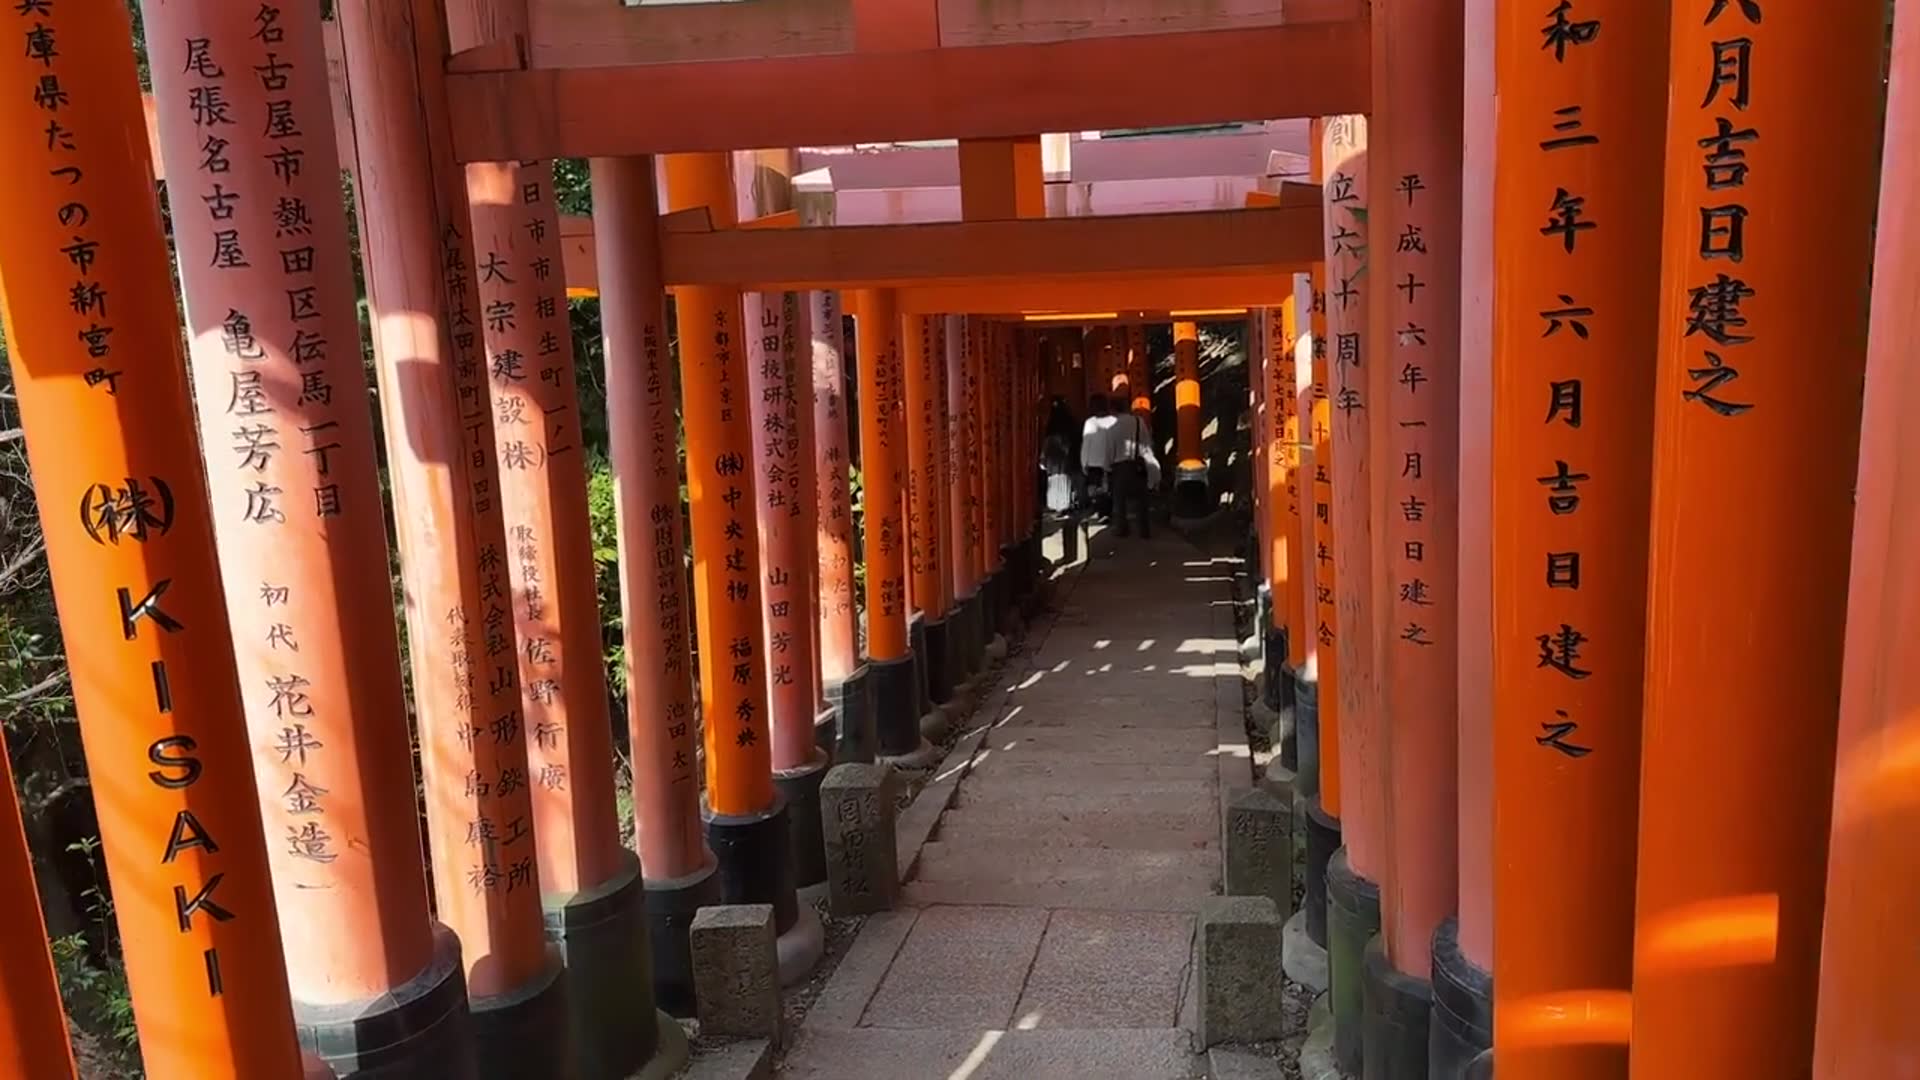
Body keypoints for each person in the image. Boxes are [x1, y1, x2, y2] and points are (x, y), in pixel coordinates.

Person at [1102, 381, 1159, 539]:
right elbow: (1147, 443)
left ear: (1113, 409)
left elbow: (1109, 450)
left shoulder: (1111, 427)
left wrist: (1106, 468)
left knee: (1119, 501)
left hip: (1119, 467)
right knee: (1142, 499)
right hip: (1137, 464)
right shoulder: (1138, 422)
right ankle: (1144, 530)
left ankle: (1122, 529)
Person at [1079, 393, 1118, 522]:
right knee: (1109, 489)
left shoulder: (1090, 422)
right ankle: (1108, 512)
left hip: (1094, 462)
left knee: (1096, 490)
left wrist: (1083, 462)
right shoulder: (1114, 420)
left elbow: (1086, 444)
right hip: (1112, 460)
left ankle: (1100, 512)